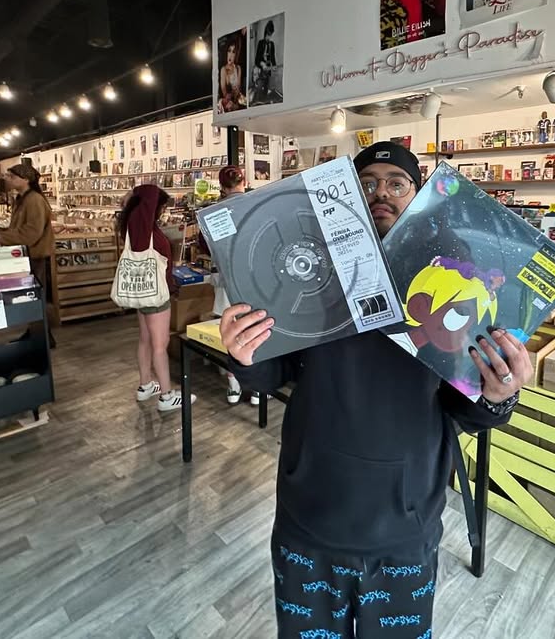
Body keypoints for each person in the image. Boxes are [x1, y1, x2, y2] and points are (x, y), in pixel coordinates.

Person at [220, 142, 531, 637]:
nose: (380, 193)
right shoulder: (315, 271)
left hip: (404, 530)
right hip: (310, 519)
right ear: (347, 196)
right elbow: (274, 374)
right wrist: (243, 355)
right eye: (366, 184)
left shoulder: (451, 275)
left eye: (396, 183)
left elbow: (466, 405)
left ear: (418, 194)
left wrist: (499, 394)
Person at [117, 185, 191, 413]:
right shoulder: (141, 220)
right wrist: (136, 191)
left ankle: (145, 384)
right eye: (161, 206)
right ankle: (167, 395)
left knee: (146, 339)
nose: (161, 211)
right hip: (155, 292)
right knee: (160, 345)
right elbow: (149, 193)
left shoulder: (136, 224)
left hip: (143, 290)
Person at [197, 166, 259, 407]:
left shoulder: (212, 212)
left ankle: (233, 385)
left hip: (226, 280)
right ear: (245, 181)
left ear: (221, 186)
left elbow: (204, 246)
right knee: (258, 331)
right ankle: (256, 390)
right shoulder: (255, 205)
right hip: (255, 279)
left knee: (229, 333)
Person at [0, 163, 57, 348]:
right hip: (27, 254)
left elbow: (31, 233)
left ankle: (43, 336)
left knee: (35, 296)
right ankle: (38, 333)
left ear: (25, 179)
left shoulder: (33, 200)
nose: (8, 179)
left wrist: (1, 236)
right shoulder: (23, 198)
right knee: (32, 296)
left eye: (12, 176)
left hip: (35, 255)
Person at [218, 40, 246, 114]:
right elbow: (224, 90)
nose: (230, 55)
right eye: (229, 51)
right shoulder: (223, 69)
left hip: (237, 101)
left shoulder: (238, 68)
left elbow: (239, 87)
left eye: (233, 52)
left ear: (236, 54)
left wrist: (237, 99)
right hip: (228, 102)